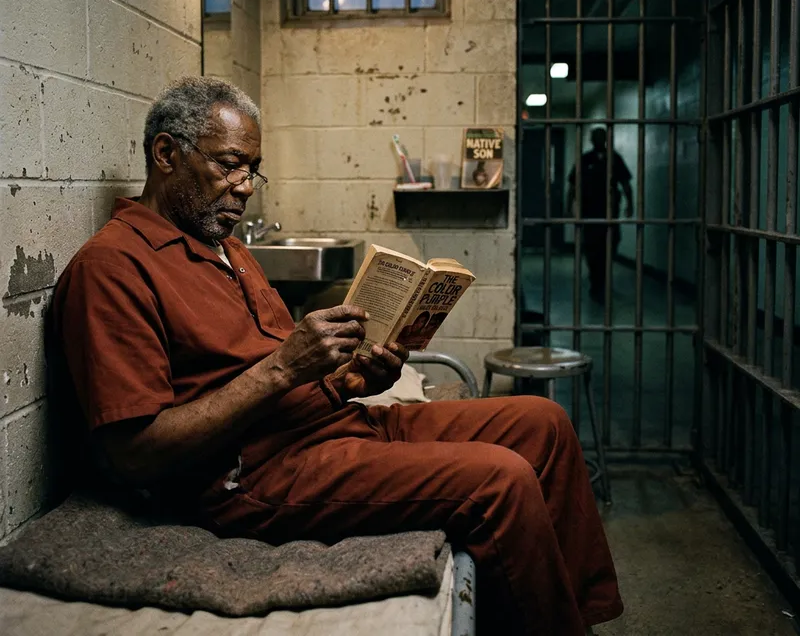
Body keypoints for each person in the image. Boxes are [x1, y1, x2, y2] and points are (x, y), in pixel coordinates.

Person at [49, 77, 623, 635]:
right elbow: (134, 456)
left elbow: (287, 379)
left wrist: (353, 380)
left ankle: (578, 614)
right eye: (229, 165)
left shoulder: (226, 249)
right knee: (499, 479)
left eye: (253, 170)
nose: (245, 187)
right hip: (257, 473)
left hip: (334, 426)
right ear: (166, 153)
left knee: (542, 422)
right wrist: (282, 368)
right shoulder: (113, 269)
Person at [566, 128, 634, 302]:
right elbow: (573, 186)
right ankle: (597, 281)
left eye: (601, 137)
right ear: (591, 139)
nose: (599, 140)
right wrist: (569, 207)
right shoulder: (585, 159)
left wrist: (630, 205)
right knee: (592, 249)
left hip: (610, 212)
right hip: (589, 213)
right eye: (596, 137)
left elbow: (625, 183)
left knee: (609, 247)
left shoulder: (614, 158)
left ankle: (601, 281)